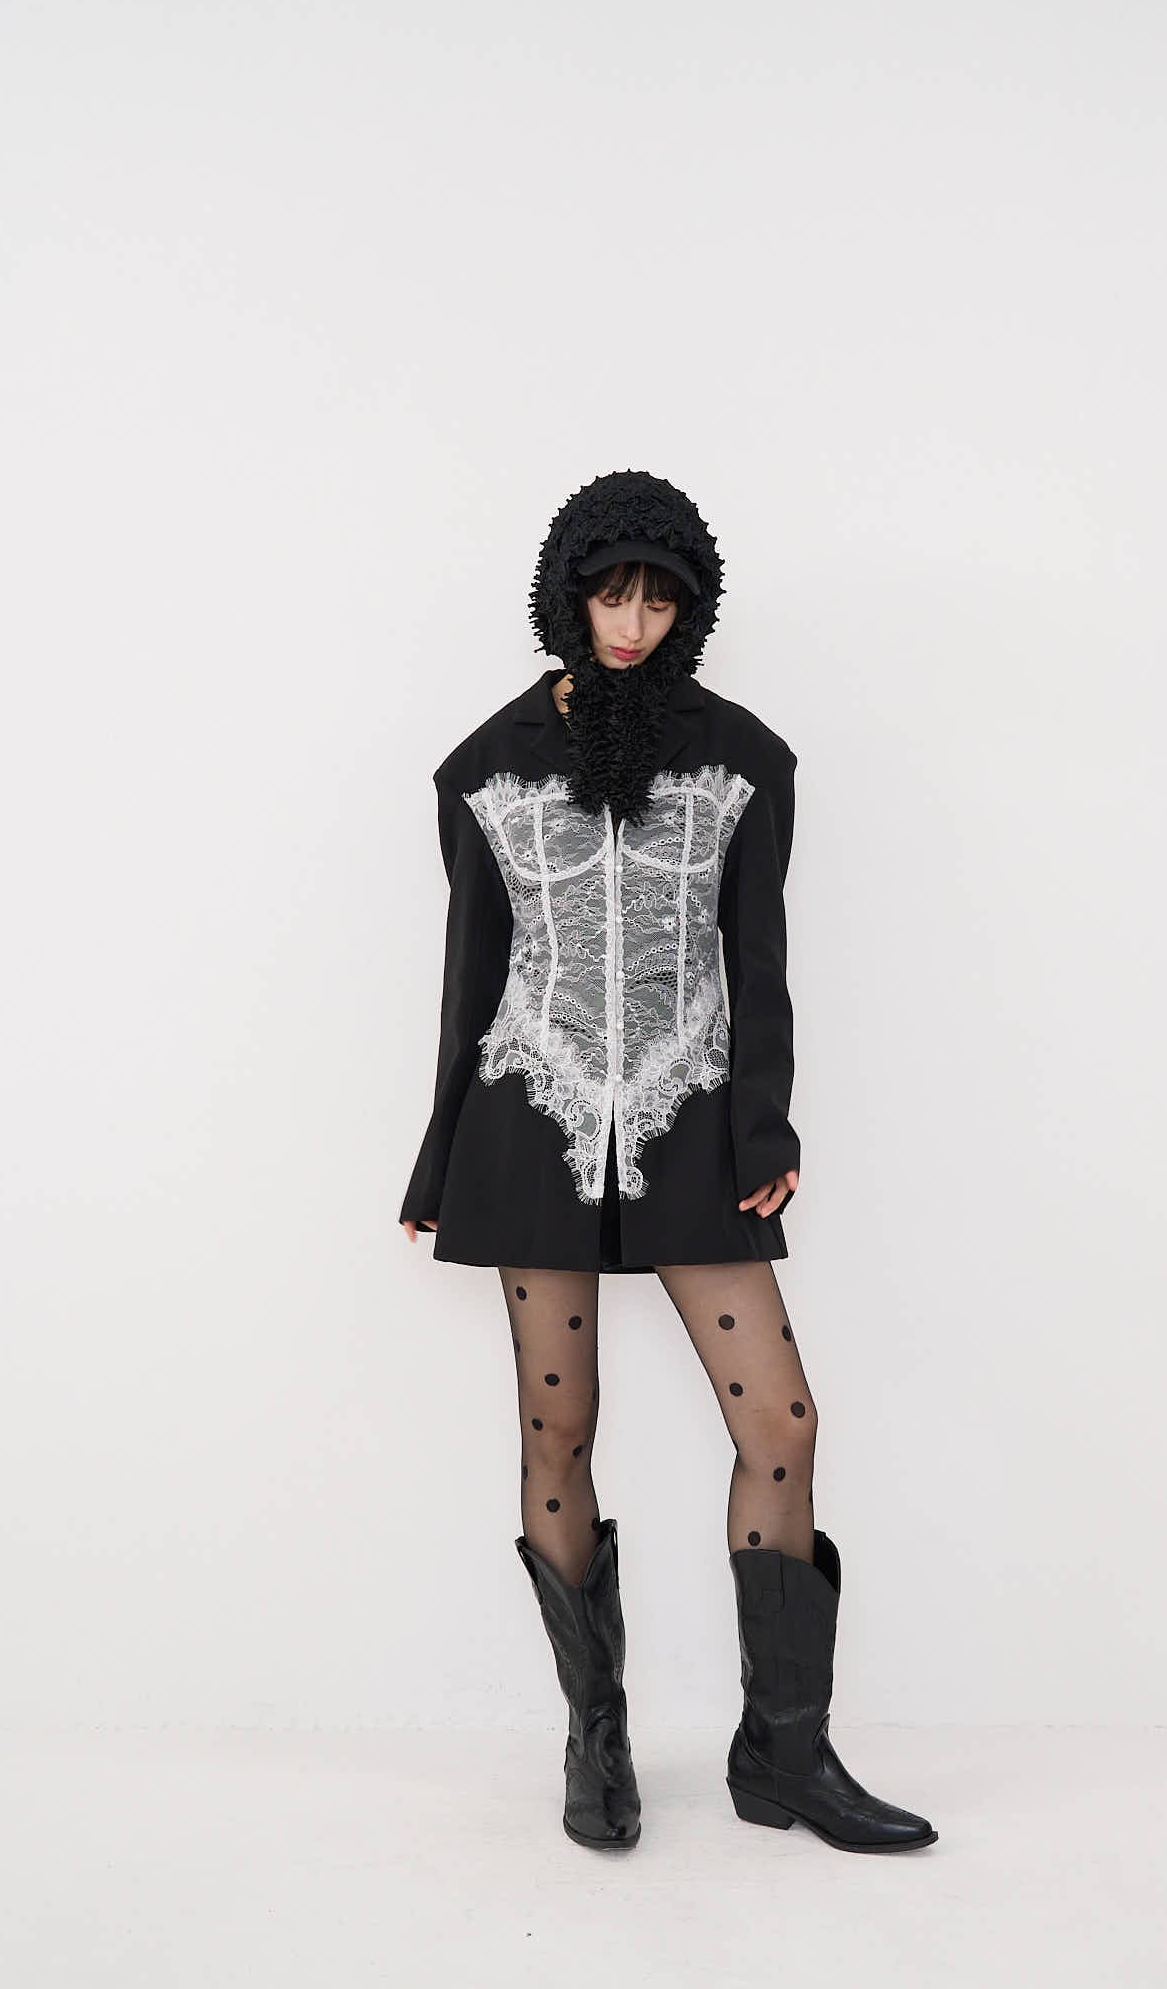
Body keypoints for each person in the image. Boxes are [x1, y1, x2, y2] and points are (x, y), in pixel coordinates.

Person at [400, 470, 937, 1855]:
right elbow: (471, 977)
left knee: (783, 1423)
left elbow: (760, 962)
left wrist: (767, 1123)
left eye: (655, 600)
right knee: (556, 1431)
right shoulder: (484, 767)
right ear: (569, 596)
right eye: (610, 596)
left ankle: (784, 1754)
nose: (631, 624)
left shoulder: (745, 759)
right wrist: (437, 1155)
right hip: (529, 1120)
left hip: (695, 1118)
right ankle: (597, 1741)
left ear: (688, 607)